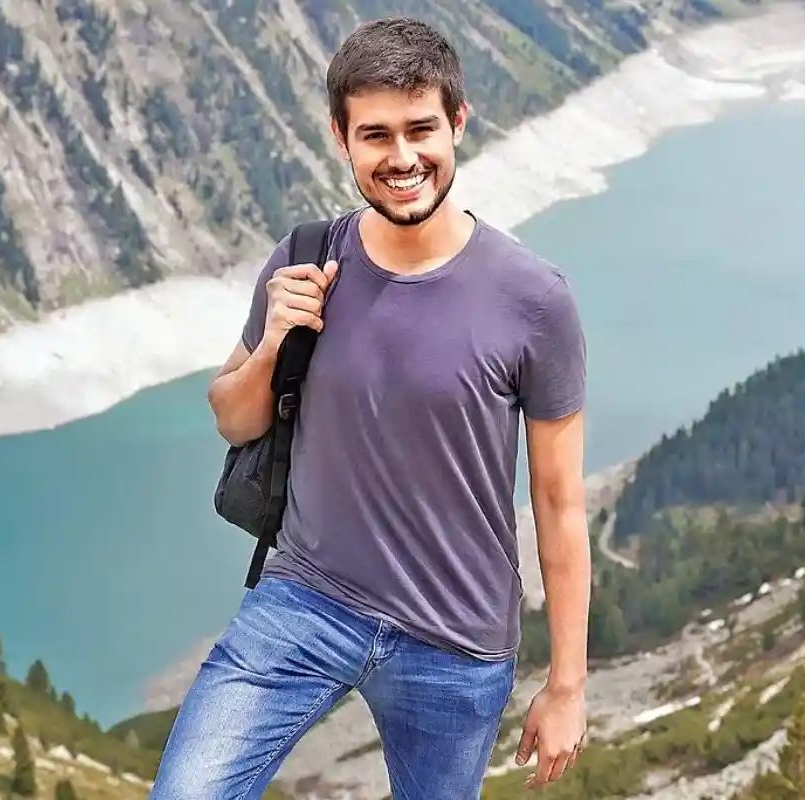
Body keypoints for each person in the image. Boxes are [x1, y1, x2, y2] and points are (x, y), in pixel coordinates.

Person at [150, 15, 591, 800]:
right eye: (375, 135)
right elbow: (233, 417)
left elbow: (558, 504)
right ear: (341, 138)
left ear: (458, 122)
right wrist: (276, 336)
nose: (402, 158)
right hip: (303, 602)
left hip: (454, 644)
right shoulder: (305, 255)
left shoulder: (535, 300)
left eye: (421, 128)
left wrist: (567, 686)